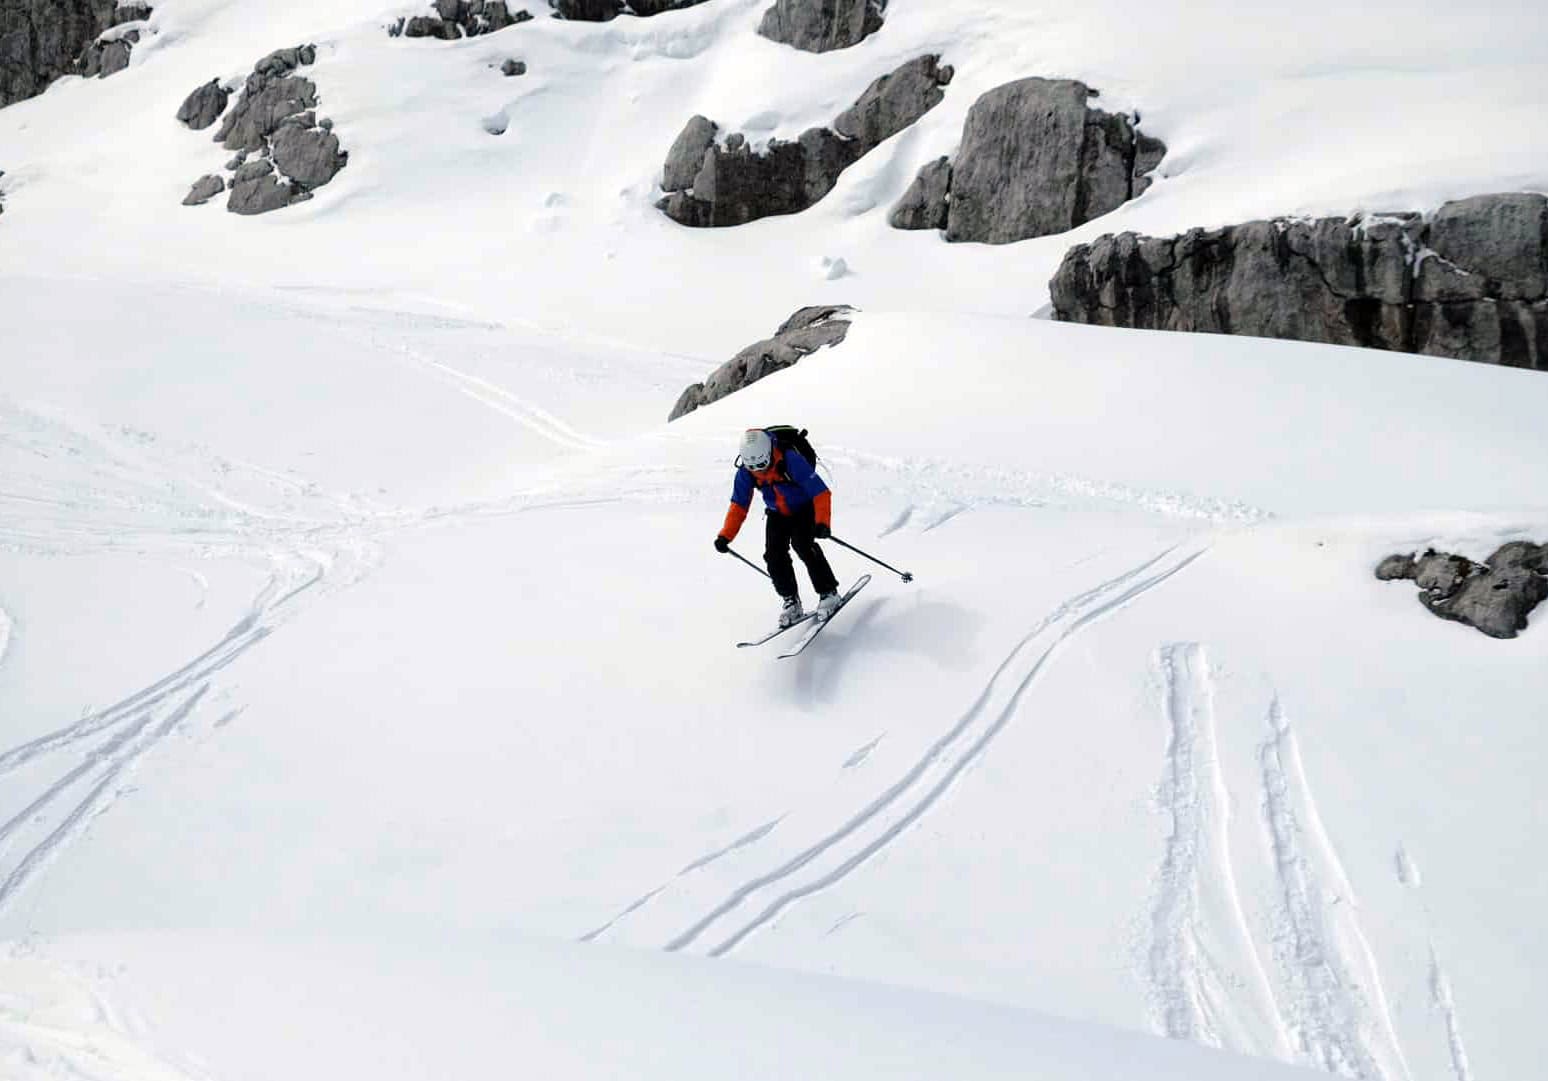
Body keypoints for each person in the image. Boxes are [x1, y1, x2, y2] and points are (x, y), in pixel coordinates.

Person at [715, 428, 840, 627]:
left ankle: (829, 592)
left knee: (803, 545)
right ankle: (791, 601)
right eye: (753, 467)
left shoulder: (790, 459)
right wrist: (725, 536)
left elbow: (820, 492)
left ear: (769, 452)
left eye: (763, 465)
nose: (759, 471)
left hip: (803, 508)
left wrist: (822, 522)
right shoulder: (746, 472)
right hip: (777, 513)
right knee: (773, 556)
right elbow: (739, 505)